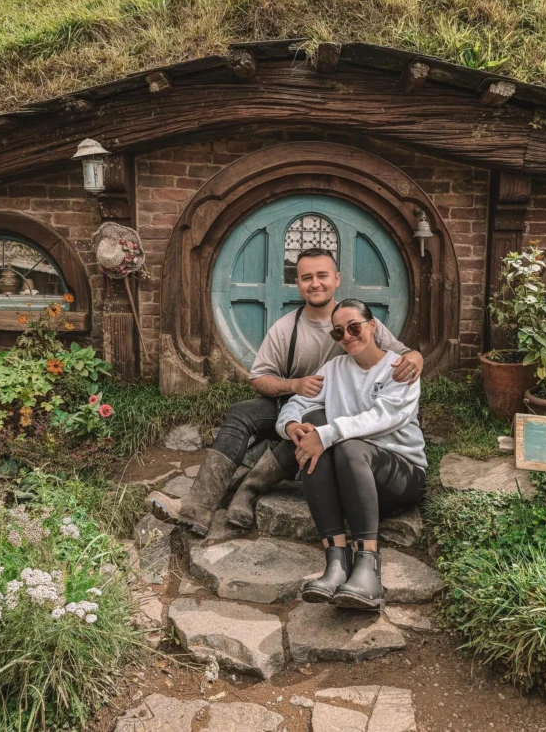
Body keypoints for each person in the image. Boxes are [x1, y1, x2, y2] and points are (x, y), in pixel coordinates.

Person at [152, 249, 423, 536]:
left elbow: (401, 354)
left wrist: (417, 357)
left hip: (336, 411)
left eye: (322, 276)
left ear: (337, 279)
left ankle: (247, 493)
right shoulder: (285, 329)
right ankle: (198, 508)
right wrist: (293, 386)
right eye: (307, 278)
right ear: (298, 283)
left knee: (315, 420)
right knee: (243, 412)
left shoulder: (356, 319)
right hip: (290, 403)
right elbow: (258, 379)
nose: (315, 283)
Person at [276, 298, 427, 610]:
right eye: (338, 332)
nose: (347, 336)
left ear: (373, 326)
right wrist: (291, 425)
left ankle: (367, 568)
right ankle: (336, 564)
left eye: (354, 327)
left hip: (399, 476)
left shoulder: (399, 368)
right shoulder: (334, 369)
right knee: (311, 426)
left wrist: (327, 434)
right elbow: (298, 402)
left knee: (344, 443)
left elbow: (382, 417)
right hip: (352, 479)